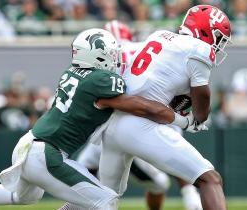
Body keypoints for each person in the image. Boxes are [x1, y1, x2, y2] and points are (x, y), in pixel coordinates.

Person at [0, 28, 193, 210]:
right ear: (98, 56)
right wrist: (179, 118)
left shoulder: (74, 73)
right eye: (112, 54)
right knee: (106, 200)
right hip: (47, 152)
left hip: (29, 143)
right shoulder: (101, 80)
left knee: (22, 197)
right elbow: (138, 105)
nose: (116, 59)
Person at [96, 5, 231, 210]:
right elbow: (202, 107)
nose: (219, 45)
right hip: (140, 125)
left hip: (113, 124)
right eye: (219, 38)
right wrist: (195, 120)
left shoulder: (160, 35)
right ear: (206, 30)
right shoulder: (199, 49)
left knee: (100, 199)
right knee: (210, 178)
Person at [70, 20, 203, 210]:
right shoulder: (148, 48)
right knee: (161, 180)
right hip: (139, 123)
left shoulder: (103, 57)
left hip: (108, 126)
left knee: (87, 181)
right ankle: (190, 196)